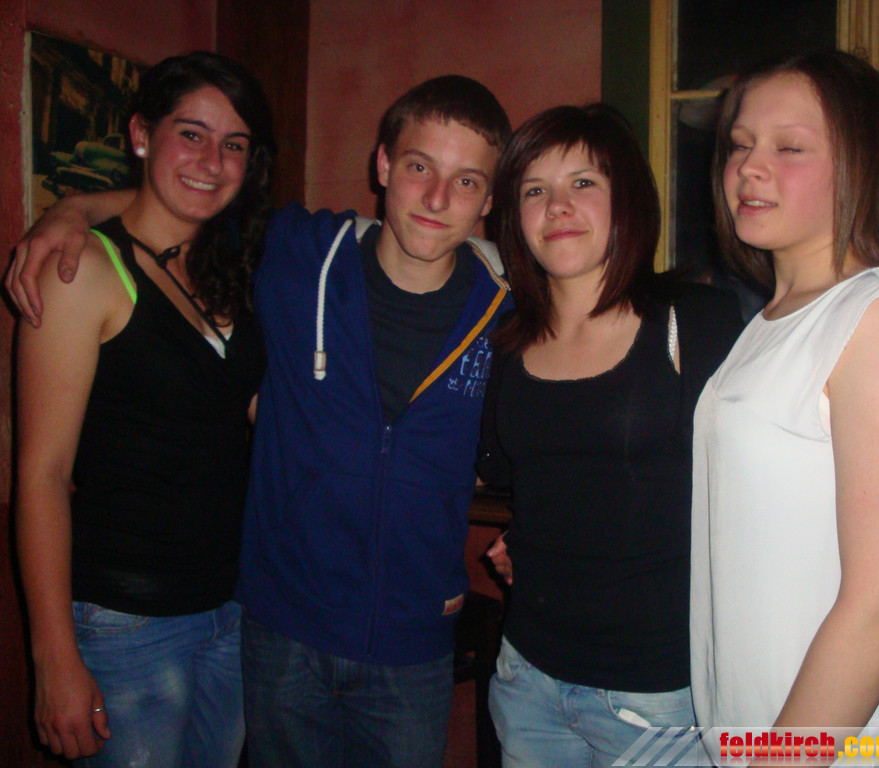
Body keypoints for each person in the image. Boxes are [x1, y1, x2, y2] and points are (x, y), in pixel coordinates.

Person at [9, 75, 513, 768]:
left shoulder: (508, 308)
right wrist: (70, 211)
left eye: (466, 181)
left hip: (407, 646)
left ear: (489, 199)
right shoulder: (298, 253)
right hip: (276, 629)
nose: (436, 198)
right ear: (383, 164)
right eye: (420, 167)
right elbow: (181, 202)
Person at [690, 49, 879, 739]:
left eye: (789, 148)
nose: (749, 167)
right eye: (741, 144)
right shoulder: (771, 320)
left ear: (862, 168)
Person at [14, 51, 273, 767]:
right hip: (126, 621)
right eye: (190, 134)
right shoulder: (83, 270)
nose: (212, 161)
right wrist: (53, 657)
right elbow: (42, 475)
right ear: (140, 134)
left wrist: (74, 202)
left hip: (232, 607)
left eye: (233, 144)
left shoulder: (226, 265)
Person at [476, 104, 743, 767]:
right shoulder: (508, 340)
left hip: (656, 693)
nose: (557, 206)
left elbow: (754, 492)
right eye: (534, 190)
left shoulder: (694, 322)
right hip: (527, 674)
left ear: (627, 200)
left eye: (582, 182)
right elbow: (517, 477)